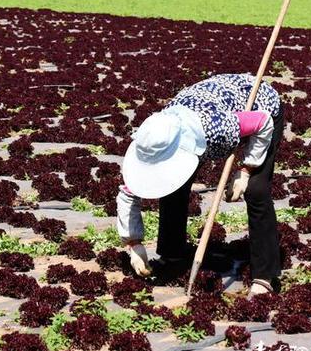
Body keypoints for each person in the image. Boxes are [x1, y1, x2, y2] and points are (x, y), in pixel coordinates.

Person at [116, 74, 283, 296]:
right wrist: (133, 244)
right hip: (209, 106)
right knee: (173, 184)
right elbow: (128, 193)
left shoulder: (216, 129)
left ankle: (264, 276)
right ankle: (172, 255)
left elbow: (262, 121)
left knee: (256, 189)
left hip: (261, 107)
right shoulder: (151, 138)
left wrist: (246, 170)